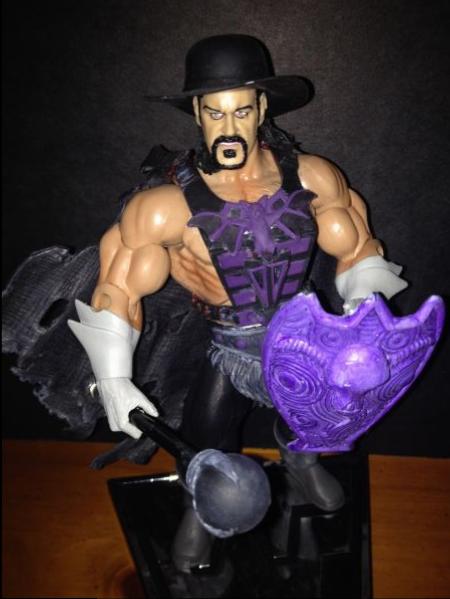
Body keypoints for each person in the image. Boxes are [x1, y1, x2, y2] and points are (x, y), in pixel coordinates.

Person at [68, 34, 407, 571]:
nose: (229, 127)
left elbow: (360, 249)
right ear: (197, 114)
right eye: (215, 112)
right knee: (206, 438)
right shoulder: (163, 207)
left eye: (242, 110)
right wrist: (113, 378)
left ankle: (301, 463)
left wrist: (361, 320)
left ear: (262, 109)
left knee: (314, 414)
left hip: (302, 333)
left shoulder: (313, 177)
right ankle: (201, 507)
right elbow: (118, 287)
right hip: (229, 345)